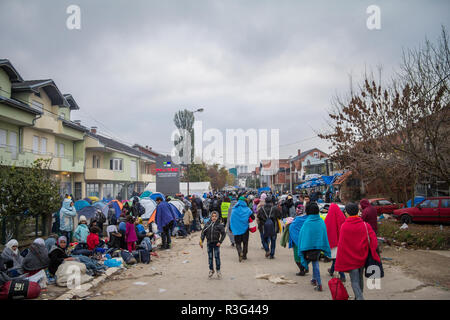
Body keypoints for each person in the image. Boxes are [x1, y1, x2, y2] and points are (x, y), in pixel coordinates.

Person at [335, 203, 380, 300]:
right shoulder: (365, 225)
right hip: (362, 258)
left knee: (354, 281)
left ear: (347, 213)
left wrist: (340, 261)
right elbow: (374, 241)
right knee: (360, 279)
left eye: (345, 211)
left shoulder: (344, 226)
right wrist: (372, 252)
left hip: (351, 260)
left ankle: (359, 298)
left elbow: (342, 246)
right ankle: (358, 297)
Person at [297, 202, 331, 292]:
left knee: (315, 264)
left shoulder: (307, 223)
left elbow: (302, 235)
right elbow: (324, 234)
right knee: (314, 262)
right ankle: (314, 279)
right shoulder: (321, 221)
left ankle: (319, 284)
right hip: (319, 246)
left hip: (308, 247)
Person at [200, 211, 226, 279]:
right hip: (209, 243)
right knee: (210, 257)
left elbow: (223, 234)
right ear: (211, 217)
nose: (214, 217)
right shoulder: (207, 224)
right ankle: (211, 270)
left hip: (216, 243)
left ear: (217, 217)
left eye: (215, 216)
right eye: (213, 216)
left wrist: (220, 242)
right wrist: (201, 241)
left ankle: (218, 270)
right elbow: (203, 233)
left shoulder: (219, 225)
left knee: (217, 257)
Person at [324, 203, 346, 282]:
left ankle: (342, 275)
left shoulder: (328, 218)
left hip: (333, 241)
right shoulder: (342, 216)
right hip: (341, 241)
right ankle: (332, 270)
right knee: (336, 258)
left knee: (336, 259)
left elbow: (326, 229)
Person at [230, 196, 255, 262]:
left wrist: (230, 228)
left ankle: (240, 252)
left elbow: (231, 220)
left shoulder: (234, 209)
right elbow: (253, 218)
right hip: (245, 229)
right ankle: (244, 255)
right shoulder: (248, 209)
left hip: (236, 229)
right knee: (245, 242)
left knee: (237, 243)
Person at [257, 195, 282, 259]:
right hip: (273, 227)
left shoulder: (261, 209)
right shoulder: (275, 208)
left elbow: (258, 217)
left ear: (265, 201)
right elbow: (279, 216)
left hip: (263, 227)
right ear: (271, 202)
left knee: (264, 240)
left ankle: (267, 250)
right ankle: (272, 254)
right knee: (273, 240)